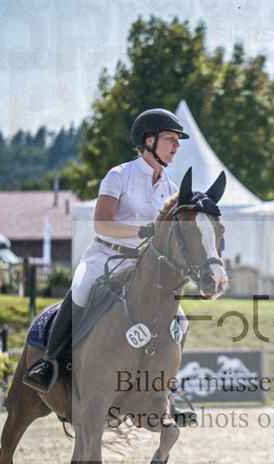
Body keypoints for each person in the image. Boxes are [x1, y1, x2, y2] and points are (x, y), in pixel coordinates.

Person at [23, 108, 191, 416]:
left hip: (142, 266)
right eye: (171, 138)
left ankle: (168, 389)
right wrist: (143, 229)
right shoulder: (119, 175)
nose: (177, 145)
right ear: (149, 140)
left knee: (180, 319)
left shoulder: (171, 189)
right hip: (105, 256)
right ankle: (48, 364)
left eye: (178, 140)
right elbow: (101, 224)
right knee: (82, 289)